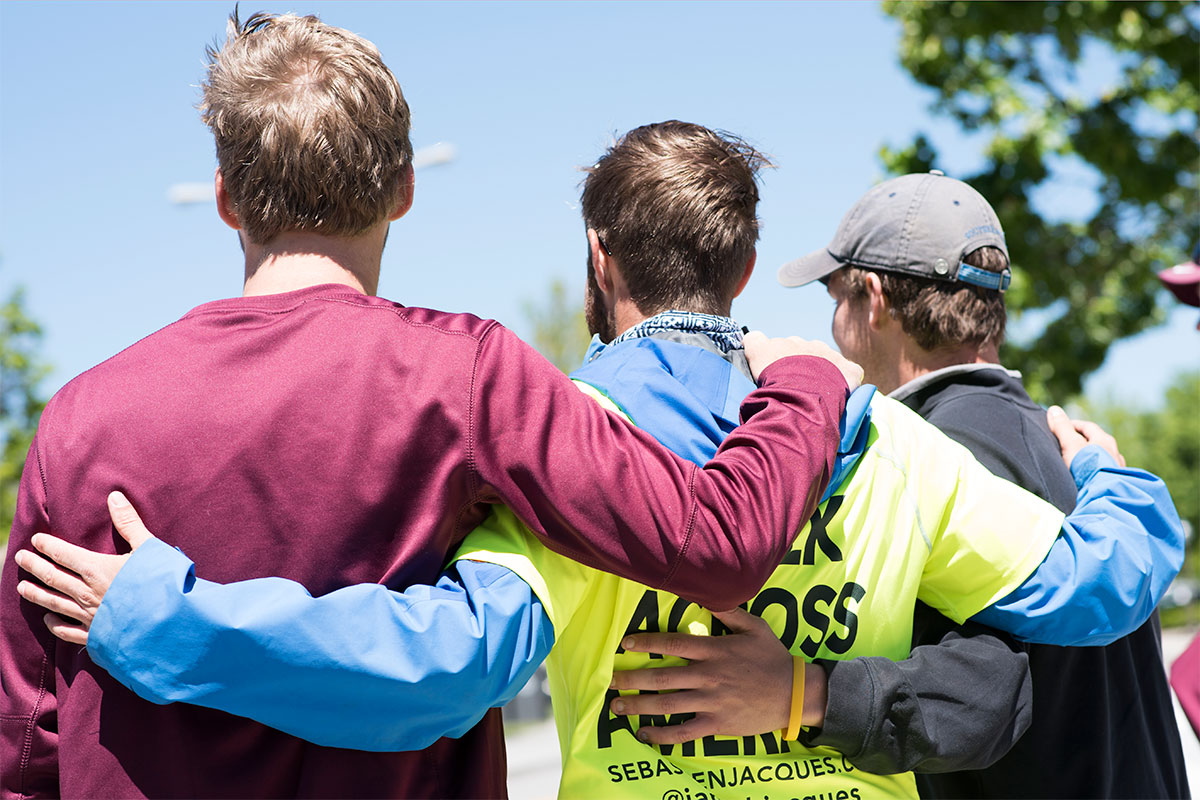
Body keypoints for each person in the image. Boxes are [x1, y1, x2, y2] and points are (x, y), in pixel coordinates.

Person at [15, 124, 1185, 800]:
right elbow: (1100, 590)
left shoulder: (554, 448)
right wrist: (1121, 479)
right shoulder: (886, 438)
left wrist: (172, 622)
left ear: (597, 255)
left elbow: (438, 667)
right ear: (743, 264)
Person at [0, 16, 864, 799]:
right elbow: (717, 543)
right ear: (404, 189)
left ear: (226, 197)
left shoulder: (82, 418)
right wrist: (809, 383)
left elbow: (26, 745)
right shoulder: (470, 377)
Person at [774, 170, 1191, 798]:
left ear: (875, 296)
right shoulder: (1075, 452)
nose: (834, 322)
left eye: (835, 296)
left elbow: (976, 697)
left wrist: (793, 693)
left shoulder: (928, 459)